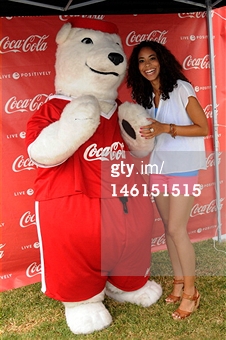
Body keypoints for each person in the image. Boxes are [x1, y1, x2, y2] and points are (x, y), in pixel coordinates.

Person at [126, 40, 208, 320]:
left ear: (162, 60)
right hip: (158, 166)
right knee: (168, 229)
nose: (148, 65)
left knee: (176, 229)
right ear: (136, 68)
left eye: (152, 59)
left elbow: (203, 128)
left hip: (184, 166)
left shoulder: (182, 89)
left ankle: (191, 292)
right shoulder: (145, 96)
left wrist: (166, 128)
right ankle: (178, 282)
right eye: (141, 61)